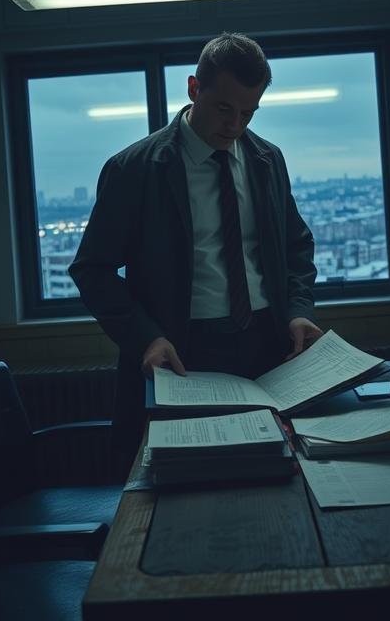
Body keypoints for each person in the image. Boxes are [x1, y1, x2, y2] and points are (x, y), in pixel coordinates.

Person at [69, 32, 322, 473]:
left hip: (267, 343)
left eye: (249, 112)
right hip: (181, 352)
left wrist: (297, 310)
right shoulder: (135, 169)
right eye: (224, 108)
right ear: (193, 89)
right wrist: (145, 337)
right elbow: (92, 270)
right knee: (185, 488)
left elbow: (296, 246)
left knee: (278, 478)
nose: (236, 125)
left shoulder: (268, 160)